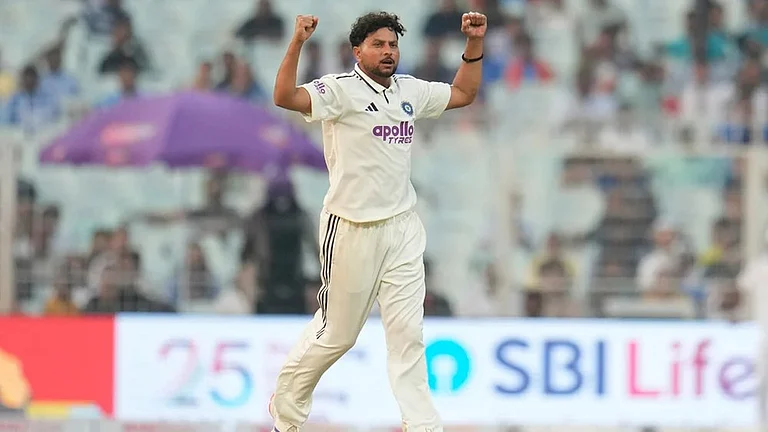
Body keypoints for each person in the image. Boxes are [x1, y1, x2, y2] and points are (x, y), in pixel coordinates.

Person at [270, 10, 486, 432]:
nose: (388, 52)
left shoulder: (409, 90)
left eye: (393, 45)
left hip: (402, 228)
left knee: (408, 334)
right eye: (378, 45)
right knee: (338, 336)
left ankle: (423, 425)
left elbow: (463, 93)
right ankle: (287, 409)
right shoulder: (340, 90)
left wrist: (474, 43)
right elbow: (284, 97)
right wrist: (297, 41)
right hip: (351, 228)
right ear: (358, 51)